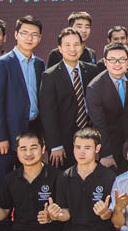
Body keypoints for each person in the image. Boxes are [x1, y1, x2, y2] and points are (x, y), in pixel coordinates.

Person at [0, 16, 46, 231]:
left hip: (32, 131)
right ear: (16, 35)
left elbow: (41, 102)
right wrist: (0, 137)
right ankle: (1, 228)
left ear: (39, 38)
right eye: (25, 33)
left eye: (34, 34)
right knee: (2, 182)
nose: (29, 38)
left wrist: (41, 136)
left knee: (30, 180)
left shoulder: (39, 65)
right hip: (7, 136)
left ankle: (27, 222)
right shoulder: (2, 64)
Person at [40, 28, 99, 169]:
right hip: (63, 141)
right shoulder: (50, 75)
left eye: (76, 44)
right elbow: (48, 113)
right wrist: (55, 145)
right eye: (67, 45)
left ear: (82, 46)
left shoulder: (92, 70)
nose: (72, 49)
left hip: (89, 135)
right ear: (60, 48)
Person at [86, 43, 128, 173]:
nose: (117, 64)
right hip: (111, 142)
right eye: (112, 60)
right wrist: (106, 154)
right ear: (105, 61)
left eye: (122, 59)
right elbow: (99, 124)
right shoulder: (94, 88)